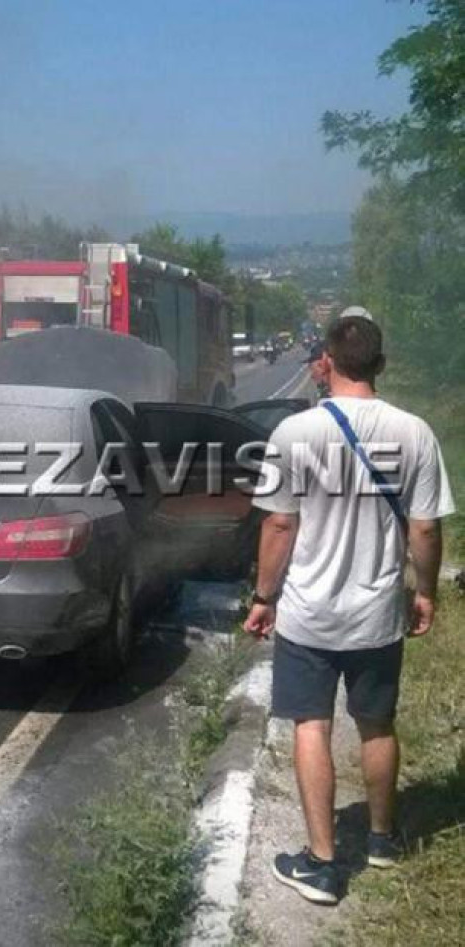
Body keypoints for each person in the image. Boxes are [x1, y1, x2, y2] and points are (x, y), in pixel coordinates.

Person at [243, 315, 455, 905]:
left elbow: (280, 524)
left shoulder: (294, 433)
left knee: (312, 724)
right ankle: (384, 840)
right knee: (377, 724)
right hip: (378, 612)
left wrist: (264, 597)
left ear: (326, 363)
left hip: (310, 613)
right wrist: (425, 591)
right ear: (380, 365)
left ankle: (321, 863)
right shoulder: (414, 432)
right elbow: (426, 529)